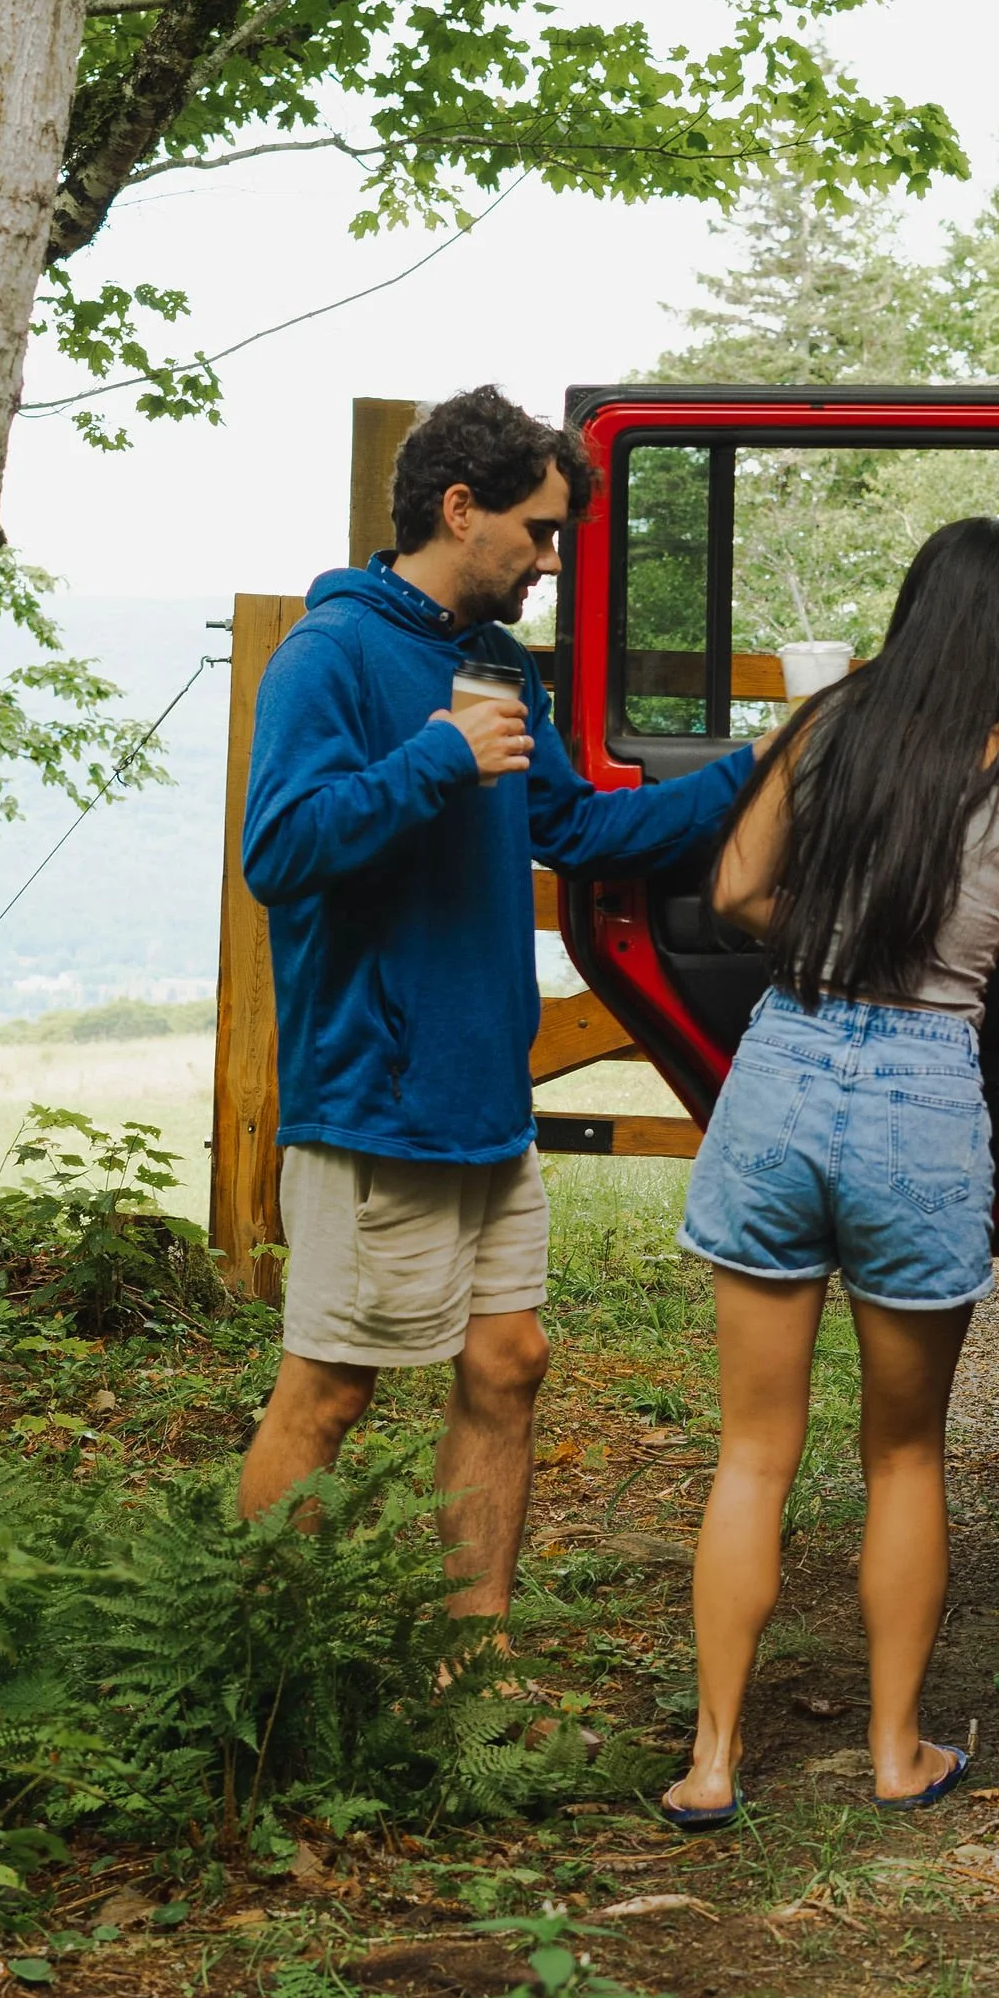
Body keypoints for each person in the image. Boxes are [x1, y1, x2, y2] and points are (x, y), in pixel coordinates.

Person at [236, 385, 761, 1622]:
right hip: (377, 1100)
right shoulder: (333, 655)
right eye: (536, 530)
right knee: (330, 1392)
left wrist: (762, 772)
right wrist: (434, 760)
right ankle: (244, 1669)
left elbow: (576, 828)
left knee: (508, 1363)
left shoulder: (488, 665)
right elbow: (280, 848)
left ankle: (468, 1672)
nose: (550, 558)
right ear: (459, 509)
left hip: (481, 1096)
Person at [661, 516, 999, 1826]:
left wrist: (829, 934)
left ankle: (711, 1764)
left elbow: (735, 890)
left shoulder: (827, 726)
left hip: (786, 1067)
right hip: (925, 1097)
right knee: (904, 1458)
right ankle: (894, 1753)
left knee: (754, 1451)